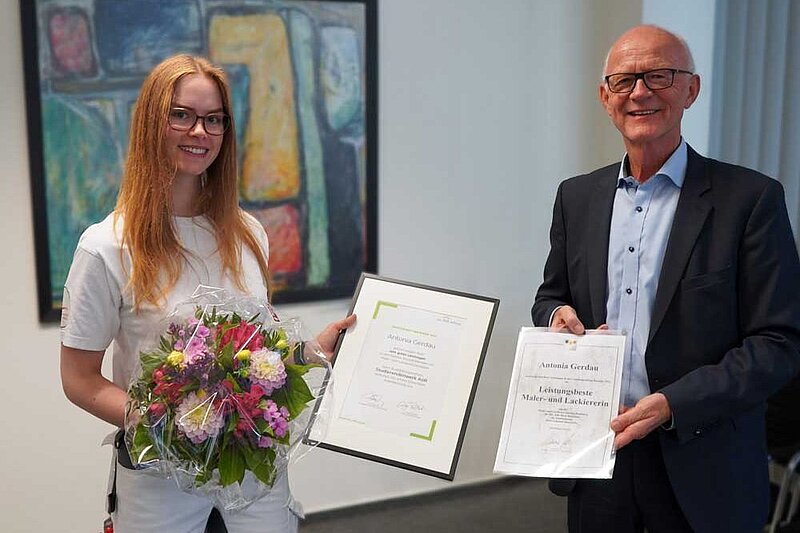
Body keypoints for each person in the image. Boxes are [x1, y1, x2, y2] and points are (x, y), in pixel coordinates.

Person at [59, 54, 355, 533]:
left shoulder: (249, 234)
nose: (200, 131)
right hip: (159, 484)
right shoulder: (106, 247)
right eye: (182, 115)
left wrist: (308, 352)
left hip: (254, 479)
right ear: (151, 122)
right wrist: (168, 424)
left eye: (214, 119)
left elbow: (253, 356)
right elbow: (80, 380)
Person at [532, 25, 800, 533]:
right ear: (605, 97)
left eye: (659, 76)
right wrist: (557, 316)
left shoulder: (750, 200)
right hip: (599, 455)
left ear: (691, 90)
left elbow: (778, 344)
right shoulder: (576, 197)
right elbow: (551, 296)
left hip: (704, 460)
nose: (639, 92)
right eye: (624, 80)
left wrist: (675, 404)